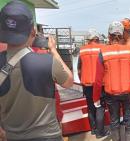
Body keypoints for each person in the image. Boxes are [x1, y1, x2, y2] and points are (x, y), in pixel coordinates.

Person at [0, 1, 73, 141]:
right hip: (47, 136)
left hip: (12, 136)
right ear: (33, 31)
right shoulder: (47, 62)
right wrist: (53, 50)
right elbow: (69, 82)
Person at [94, 21, 130, 141]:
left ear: (109, 36)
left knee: (114, 121)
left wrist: (96, 97)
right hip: (129, 92)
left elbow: (98, 79)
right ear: (122, 35)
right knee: (129, 120)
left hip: (111, 94)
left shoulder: (103, 52)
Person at [78, 29, 109, 138]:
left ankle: (93, 130)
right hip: (99, 84)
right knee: (99, 107)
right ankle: (100, 133)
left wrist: (82, 81)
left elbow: (79, 69)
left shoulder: (82, 50)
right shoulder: (103, 48)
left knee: (90, 107)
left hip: (86, 84)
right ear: (97, 38)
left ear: (89, 39)